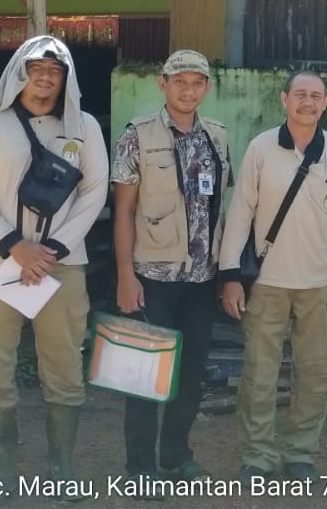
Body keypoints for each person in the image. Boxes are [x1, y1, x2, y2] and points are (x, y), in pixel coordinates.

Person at [0, 35, 109, 507]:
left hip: (62, 268)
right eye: (36, 67)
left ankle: (61, 467)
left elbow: (95, 193)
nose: (45, 77)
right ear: (19, 71)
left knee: (63, 367)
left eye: (55, 71)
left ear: (67, 79)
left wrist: (54, 249)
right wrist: (13, 245)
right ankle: (2, 470)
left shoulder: (85, 130)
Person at [218, 70, 327, 481]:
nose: (308, 102)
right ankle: (257, 456)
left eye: (316, 95)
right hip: (267, 284)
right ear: (284, 99)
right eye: (300, 94)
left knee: (314, 374)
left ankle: (300, 453)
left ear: (326, 103)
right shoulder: (262, 148)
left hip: (318, 284)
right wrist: (230, 276)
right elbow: (240, 213)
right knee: (259, 374)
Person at [112, 50, 233, 488]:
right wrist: (125, 276)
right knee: (144, 378)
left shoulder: (217, 138)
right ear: (162, 84)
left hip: (201, 280)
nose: (188, 90)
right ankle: (139, 468)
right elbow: (123, 212)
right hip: (150, 277)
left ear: (206, 88)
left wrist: (226, 275)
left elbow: (220, 209)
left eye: (196, 82)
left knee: (191, 376)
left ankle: (176, 457)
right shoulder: (137, 136)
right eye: (179, 81)